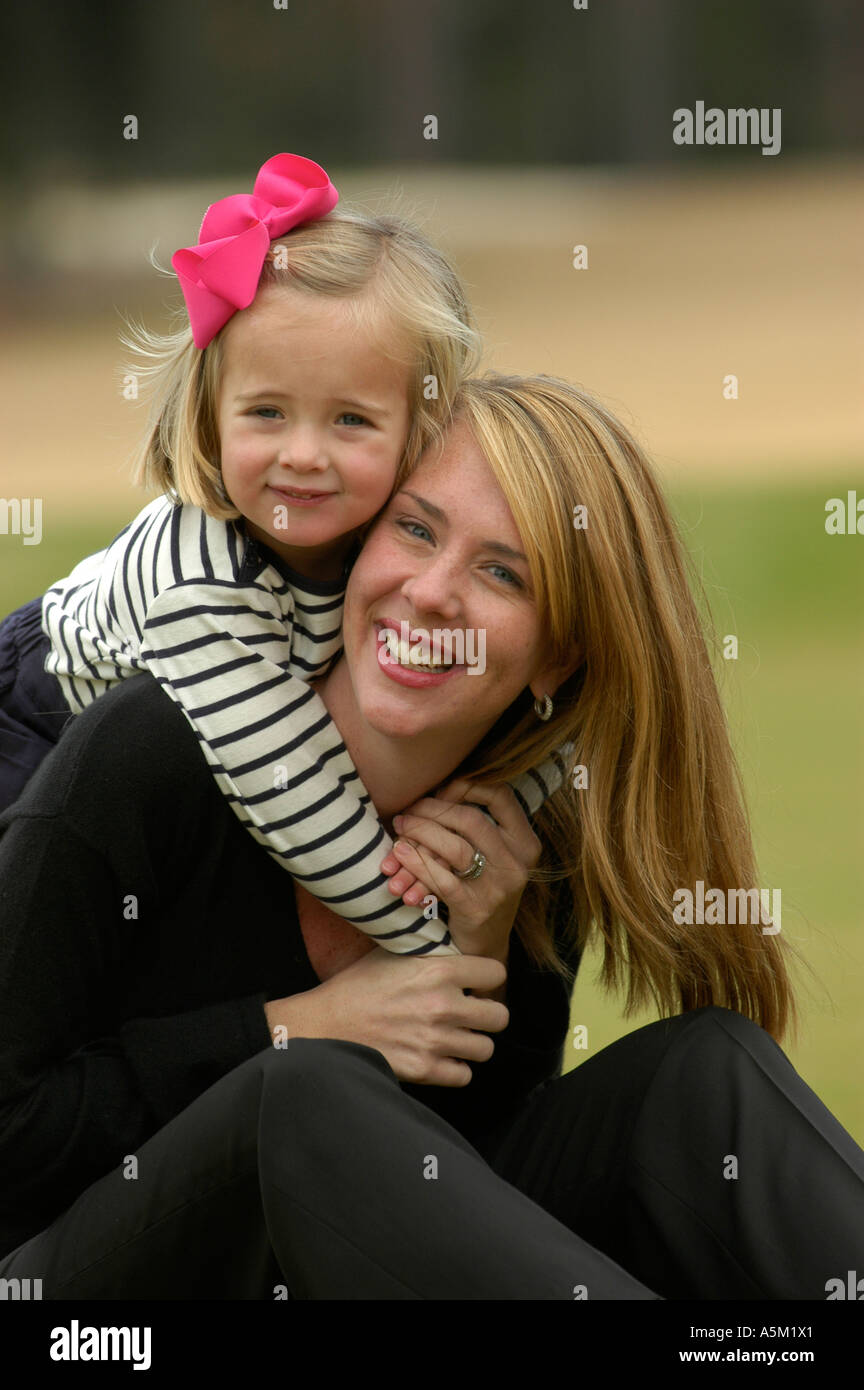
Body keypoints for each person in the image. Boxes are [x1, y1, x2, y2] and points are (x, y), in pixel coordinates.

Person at [1, 374, 862, 1300]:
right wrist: (289, 1033)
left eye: (503, 573)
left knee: (702, 1077)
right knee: (302, 1097)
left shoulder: (518, 841)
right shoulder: (153, 749)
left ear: (558, 656)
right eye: (415, 529)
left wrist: (477, 962)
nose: (433, 593)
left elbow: (458, 1190)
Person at [0, 150, 561, 959]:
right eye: (266, 412)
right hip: (30, 737)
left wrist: (491, 815)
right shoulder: (200, 580)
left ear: (421, 428)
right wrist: (427, 939)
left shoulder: (380, 540)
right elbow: (289, 791)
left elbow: (545, 728)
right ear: (208, 416)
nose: (303, 455)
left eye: (350, 422)